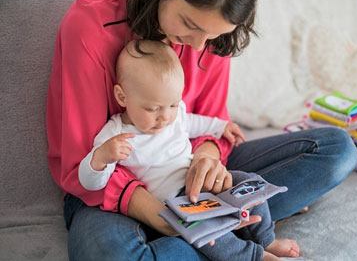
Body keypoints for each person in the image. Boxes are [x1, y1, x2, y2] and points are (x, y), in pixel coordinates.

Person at [46, 0, 357, 260]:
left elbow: (212, 122)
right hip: (108, 192)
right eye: (190, 25)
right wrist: (160, 216)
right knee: (108, 255)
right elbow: (80, 164)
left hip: (187, 173)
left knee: (337, 150)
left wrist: (207, 162)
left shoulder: (210, 35)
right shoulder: (89, 25)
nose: (198, 47)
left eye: (214, 34)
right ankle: (232, 239)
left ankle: (217, 231)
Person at [78, 39, 299, 261]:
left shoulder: (173, 115)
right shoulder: (116, 133)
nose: (165, 117)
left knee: (249, 182)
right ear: (122, 97)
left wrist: (221, 127)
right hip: (176, 201)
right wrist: (101, 158)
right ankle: (252, 256)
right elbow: (90, 182)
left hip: (201, 180)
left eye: (173, 105)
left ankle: (266, 239)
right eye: (153, 108)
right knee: (209, 231)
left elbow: (193, 123)